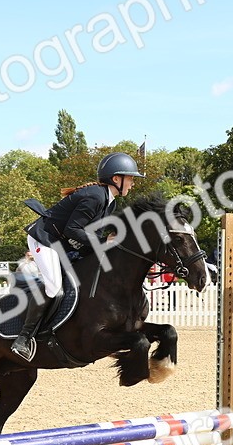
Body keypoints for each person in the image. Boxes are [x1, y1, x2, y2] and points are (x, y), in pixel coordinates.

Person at [12, 151, 143, 360]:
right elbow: (74, 230)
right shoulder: (95, 196)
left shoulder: (109, 202)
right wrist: (103, 243)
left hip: (63, 242)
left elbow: (94, 233)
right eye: (130, 179)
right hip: (44, 239)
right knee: (54, 286)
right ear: (116, 179)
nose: (133, 184)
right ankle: (23, 339)